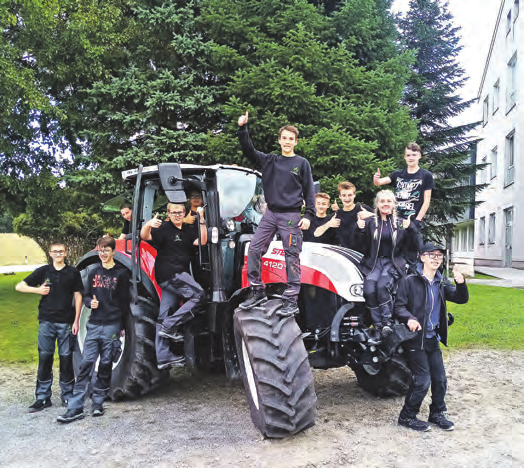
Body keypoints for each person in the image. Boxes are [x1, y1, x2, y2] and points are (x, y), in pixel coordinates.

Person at [237, 111, 315, 317]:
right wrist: (242, 128)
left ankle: (291, 299)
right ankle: (257, 291)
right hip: (270, 214)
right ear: (279, 141)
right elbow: (249, 151)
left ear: (295, 142)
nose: (287, 142)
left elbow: (309, 191)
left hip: (291, 215)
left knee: (292, 256)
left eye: (291, 139)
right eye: (284, 138)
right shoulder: (270, 160)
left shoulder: (302, 163)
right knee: (253, 249)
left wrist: (308, 216)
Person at [394, 243, 468, 432]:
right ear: (422, 257)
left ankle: (436, 413)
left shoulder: (441, 282)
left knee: (440, 379)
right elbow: (398, 307)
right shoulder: (409, 281)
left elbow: (461, 299)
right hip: (415, 338)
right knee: (422, 380)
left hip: (432, 338)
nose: (436, 258)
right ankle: (407, 416)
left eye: (439, 256)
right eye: (432, 255)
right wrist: (409, 318)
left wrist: (460, 283)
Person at [57, 237, 130, 423]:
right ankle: (75, 407)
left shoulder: (121, 274)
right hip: (95, 325)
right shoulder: (93, 272)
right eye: (100, 250)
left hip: (112, 325)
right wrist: (91, 303)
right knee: (86, 364)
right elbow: (87, 295)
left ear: (113, 251)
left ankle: (98, 403)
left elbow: (124, 303)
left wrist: (121, 328)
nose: (103, 254)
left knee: (105, 364)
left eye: (106, 250)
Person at [15, 242, 83, 413]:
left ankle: (67, 395)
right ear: (50, 253)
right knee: (45, 359)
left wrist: (76, 321)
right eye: (55, 251)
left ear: (65, 253)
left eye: (61, 251)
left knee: (66, 359)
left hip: (66, 321)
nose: (58, 254)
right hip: (46, 321)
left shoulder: (73, 272)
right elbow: (19, 286)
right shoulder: (43, 271)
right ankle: (43, 397)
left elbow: (78, 296)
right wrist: (37, 291)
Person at [140, 203, 207, 370]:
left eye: (180, 212)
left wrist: (202, 219)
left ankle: (163, 357)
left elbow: (203, 241)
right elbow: (145, 236)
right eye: (174, 212)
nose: (177, 215)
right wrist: (148, 224)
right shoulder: (163, 228)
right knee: (199, 296)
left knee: (163, 314)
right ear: (168, 213)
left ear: (184, 213)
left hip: (177, 275)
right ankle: (170, 326)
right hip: (171, 274)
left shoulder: (188, 229)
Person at [355, 190, 421, 339]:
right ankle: (378, 325)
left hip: (393, 262)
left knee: (382, 286)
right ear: (377, 204)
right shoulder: (370, 223)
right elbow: (360, 246)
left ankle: (387, 322)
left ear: (393, 204)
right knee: (369, 290)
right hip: (374, 262)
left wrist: (410, 228)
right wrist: (359, 230)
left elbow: (414, 245)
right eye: (382, 201)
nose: (385, 204)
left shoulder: (400, 223)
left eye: (389, 201)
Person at [373, 143, 434, 224]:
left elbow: (426, 201)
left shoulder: (426, 175)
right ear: (405, 157)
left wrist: (418, 219)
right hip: (394, 220)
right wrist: (376, 179)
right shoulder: (397, 174)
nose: (411, 158)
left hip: (413, 221)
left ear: (419, 156)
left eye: (414, 155)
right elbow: (378, 182)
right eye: (408, 155)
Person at [331, 181, 373, 252]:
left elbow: (385, 219)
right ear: (340, 196)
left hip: (363, 255)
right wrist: (328, 224)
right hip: (344, 255)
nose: (347, 198)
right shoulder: (336, 215)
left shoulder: (363, 209)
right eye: (344, 195)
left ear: (354, 195)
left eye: (350, 195)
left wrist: (372, 215)